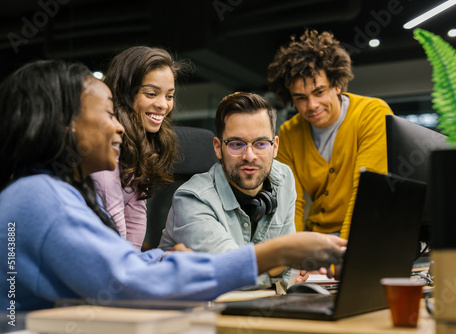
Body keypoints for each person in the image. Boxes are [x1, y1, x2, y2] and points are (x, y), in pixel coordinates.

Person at [0, 60, 347, 311]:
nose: (120, 127)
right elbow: (131, 284)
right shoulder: (40, 198)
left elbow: (116, 266)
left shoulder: (53, 193)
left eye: (260, 144)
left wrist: (161, 257)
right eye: (108, 114)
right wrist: (280, 251)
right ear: (64, 126)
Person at [159, 92, 296, 288]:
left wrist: (284, 268)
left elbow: (290, 269)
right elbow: (231, 276)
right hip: (197, 314)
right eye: (236, 144)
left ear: (275, 147)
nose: (249, 156)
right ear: (217, 147)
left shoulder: (284, 179)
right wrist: (279, 270)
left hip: (261, 306)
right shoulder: (191, 199)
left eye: (261, 144)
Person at [267, 29, 394, 239]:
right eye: (300, 98)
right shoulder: (289, 133)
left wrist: (346, 253)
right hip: (317, 239)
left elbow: (366, 192)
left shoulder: (372, 114)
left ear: (336, 85)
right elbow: (291, 202)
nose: (311, 105)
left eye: (319, 92)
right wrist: (292, 256)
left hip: (365, 234)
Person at [91, 46, 182, 248]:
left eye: (169, 96)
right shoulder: (105, 140)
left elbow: (136, 213)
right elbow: (112, 217)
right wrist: (129, 267)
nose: (163, 105)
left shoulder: (146, 141)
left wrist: (135, 262)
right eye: (151, 94)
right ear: (124, 93)